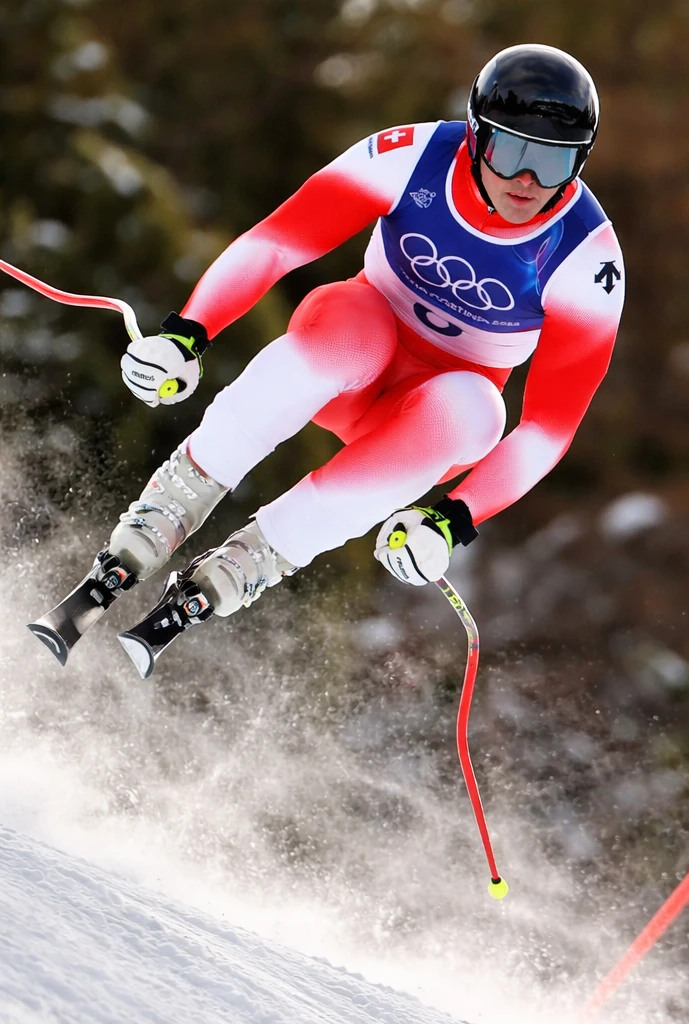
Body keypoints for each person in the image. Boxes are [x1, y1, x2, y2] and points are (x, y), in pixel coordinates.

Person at [36, 43, 625, 671]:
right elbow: (277, 243)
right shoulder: (414, 156)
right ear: (477, 136)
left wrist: (452, 518)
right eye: (511, 152)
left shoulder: (586, 258)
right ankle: (163, 515)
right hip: (351, 358)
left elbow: (548, 429)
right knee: (355, 325)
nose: (527, 182)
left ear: (580, 161)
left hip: (416, 420)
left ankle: (251, 562)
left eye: (554, 161)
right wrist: (187, 334)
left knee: (478, 411)